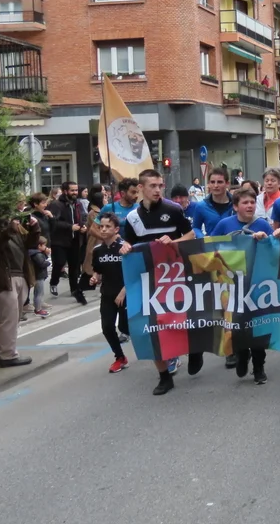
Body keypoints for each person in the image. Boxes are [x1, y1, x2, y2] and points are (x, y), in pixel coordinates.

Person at [120, 169, 197, 394]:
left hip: (175, 275)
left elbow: (191, 236)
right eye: (152, 186)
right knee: (152, 327)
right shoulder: (133, 218)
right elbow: (129, 245)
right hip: (149, 279)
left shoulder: (173, 210)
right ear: (141, 188)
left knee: (182, 321)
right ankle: (164, 377)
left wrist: (173, 241)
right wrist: (125, 247)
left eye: (160, 185)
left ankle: (194, 349)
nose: (157, 190)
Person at [208, 189, 276, 383]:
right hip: (232, 283)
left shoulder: (262, 224)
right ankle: (242, 355)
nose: (250, 206)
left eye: (252, 202)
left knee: (257, 326)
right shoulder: (224, 224)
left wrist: (266, 240)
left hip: (257, 282)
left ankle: (259, 367)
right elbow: (211, 246)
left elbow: (274, 251)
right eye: (245, 203)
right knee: (237, 324)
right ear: (236, 206)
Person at [0, 212, 41, 367]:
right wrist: (8, 231)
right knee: (9, 318)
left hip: (19, 275)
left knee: (11, 318)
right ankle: (8, 355)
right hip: (2, 278)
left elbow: (29, 244)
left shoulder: (11, 226)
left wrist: (34, 229)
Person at [89, 212, 130, 374]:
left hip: (125, 294)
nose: (104, 230)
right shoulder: (98, 250)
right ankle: (120, 357)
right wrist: (94, 278)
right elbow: (98, 271)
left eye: (108, 226)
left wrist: (123, 292)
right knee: (107, 328)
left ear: (116, 229)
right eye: (101, 227)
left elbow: (133, 273)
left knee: (125, 327)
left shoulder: (124, 248)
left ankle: (163, 354)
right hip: (107, 294)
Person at [47, 181, 87, 303]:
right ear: (65, 191)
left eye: (76, 190)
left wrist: (83, 226)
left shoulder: (78, 204)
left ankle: (74, 289)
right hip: (59, 240)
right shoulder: (56, 205)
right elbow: (54, 222)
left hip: (75, 239)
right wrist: (70, 227)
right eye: (72, 190)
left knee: (74, 265)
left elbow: (81, 218)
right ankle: (54, 282)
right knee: (59, 263)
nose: (75, 192)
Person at [77, 188, 106, 300]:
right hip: (94, 241)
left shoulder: (101, 211)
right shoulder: (94, 213)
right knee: (90, 267)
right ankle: (80, 289)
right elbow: (96, 227)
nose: (106, 199)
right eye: (104, 198)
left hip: (100, 242)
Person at [192, 167, 236, 237]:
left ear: (227, 184)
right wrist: (203, 237)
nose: (216, 186)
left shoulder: (236, 204)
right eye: (212, 182)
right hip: (211, 243)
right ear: (208, 184)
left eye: (220, 182)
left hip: (235, 243)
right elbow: (196, 228)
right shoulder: (201, 206)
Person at [28, 236, 51, 319]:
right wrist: (48, 262)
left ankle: (38, 307)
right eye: (44, 245)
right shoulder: (37, 254)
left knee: (38, 293)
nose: (45, 247)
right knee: (39, 293)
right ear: (39, 246)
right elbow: (42, 263)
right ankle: (38, 309)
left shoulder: (34, 253)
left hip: (37, 275)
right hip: (39, 276)